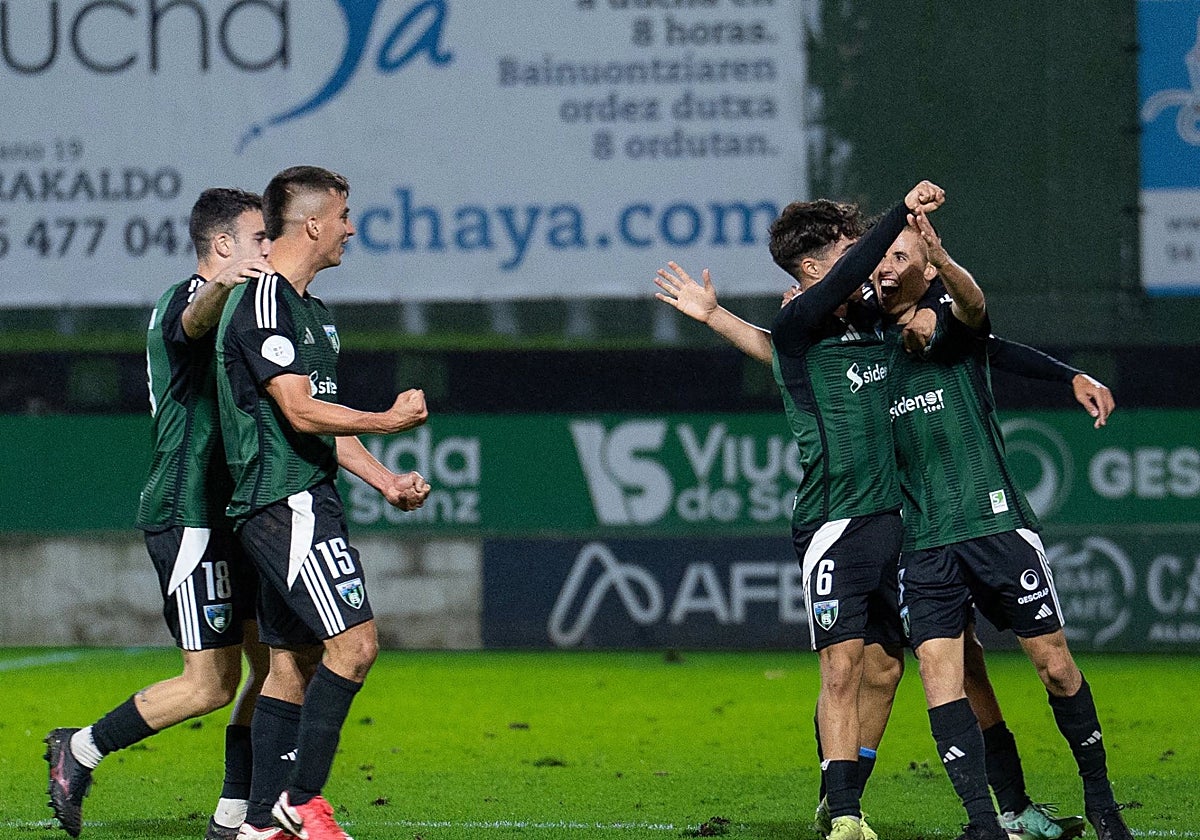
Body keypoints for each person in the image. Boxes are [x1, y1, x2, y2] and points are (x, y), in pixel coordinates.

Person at [654, 196, 1109, 840]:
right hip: (836, 520)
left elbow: (981, 340)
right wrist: (899, 213)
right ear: (811, 270)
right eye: (849, 254)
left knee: (922, 665)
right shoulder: (804, 317)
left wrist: (1064, 375)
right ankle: (841, 808)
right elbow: (789, 342)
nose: (869, 268)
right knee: (844, 667)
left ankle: (1007, 806)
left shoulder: (867, 318)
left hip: (907, 520)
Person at [877, 210, 1134, 840]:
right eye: (879, 259)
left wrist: (1069, 374)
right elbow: (791, 340)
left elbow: (977, 308)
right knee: (949, 675)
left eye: (902, 258)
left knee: (1053, 665)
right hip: (925, 540)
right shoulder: (860, 342)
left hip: (994, 525)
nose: (886, 268)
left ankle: (1102, 803)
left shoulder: (957, 330)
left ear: (927, 267)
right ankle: (988, 821)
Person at [45, 188, 275, 840]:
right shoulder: (186, 298)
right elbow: (195, 319)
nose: (267, 247)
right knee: (208, 685)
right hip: (189, 513)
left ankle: (235, 818)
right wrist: (223, 284)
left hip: (239, 515)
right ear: (223, 245)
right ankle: (80, 749)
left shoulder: (247, 311)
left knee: (284, 665)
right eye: (258, 237)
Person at [215, 166, 431, 840]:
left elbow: (321, 424)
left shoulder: (310, 311)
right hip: (285, 502)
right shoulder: (263, 301)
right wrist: (388, 420)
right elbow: (300, 413)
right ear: (312, 222)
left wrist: (385, 480)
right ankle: (301, 801)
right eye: (343, 215)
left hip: (302, 497)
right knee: (356, 646)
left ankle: (257, 825)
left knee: (293, 662)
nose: (351, 228)